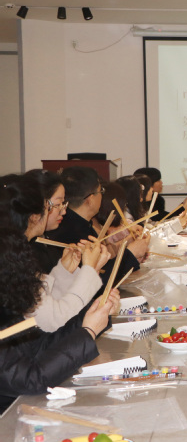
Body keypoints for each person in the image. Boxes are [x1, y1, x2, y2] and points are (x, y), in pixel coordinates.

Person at [0, 228, 119, 413]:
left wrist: (89, 318)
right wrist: (88, 332)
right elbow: (32, 380)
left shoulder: (8, 312)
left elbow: (40, 346)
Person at [0, 174, 110, 332]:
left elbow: (45, 305)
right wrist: (90, 270)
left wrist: (63, 271)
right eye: (49, 206)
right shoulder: (12, 258)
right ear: (34, 216)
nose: (61, 211)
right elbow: (53, 321)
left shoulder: (14, 248)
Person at [48, 167, 149, 288]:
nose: (102, 195)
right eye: (101, 191)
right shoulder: (71, 232)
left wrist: (129, 247)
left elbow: (104, 263)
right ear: (90, 199)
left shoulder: (80, 223)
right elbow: (97, 281)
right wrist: (131, 254)